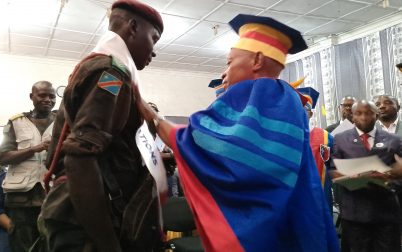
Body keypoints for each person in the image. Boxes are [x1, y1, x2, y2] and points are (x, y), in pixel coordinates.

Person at [137, 14, 339, 251]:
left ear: (257, 61)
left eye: (229, 62)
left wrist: (149, 113)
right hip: (297, 217)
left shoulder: (257, 92)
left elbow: (206, 144)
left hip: (266, 233)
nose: (224, 73)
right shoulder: (287, 98)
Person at [40, 0, 164, 252]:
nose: (154, 51)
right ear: (132, 27)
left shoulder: (106, 67)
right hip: (88, 222)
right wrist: (108, 245)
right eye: (154, 37)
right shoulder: (111, 73)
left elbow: (107, 147)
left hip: (86, 213)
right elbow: (80, 159)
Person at [329, 100, 402, 252]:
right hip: (354, 213)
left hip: (386, 213)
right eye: (358, 113)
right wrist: (351, 177)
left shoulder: (395, 140)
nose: (363, 117)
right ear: (353, 116)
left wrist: (391, 175)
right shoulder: (340, 139)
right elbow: (332, 170)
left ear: (376, 116)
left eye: (368, 113)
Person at [0, 80, 56, 252]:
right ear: (32, 97)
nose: (48, 100)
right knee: (23, 245)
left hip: (53, 194)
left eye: (52, 96)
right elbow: (2, 157)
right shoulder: (16, 122)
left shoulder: (63, 120)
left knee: (52, 243)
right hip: (22, 198)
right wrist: (35, 148)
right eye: (42, 95)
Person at [297, 87, 334, 210]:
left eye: (304, 109)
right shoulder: (282, 137)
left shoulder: (325, 137)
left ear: (311, 114)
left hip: (320, 202)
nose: (300, 112)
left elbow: (335, 168)